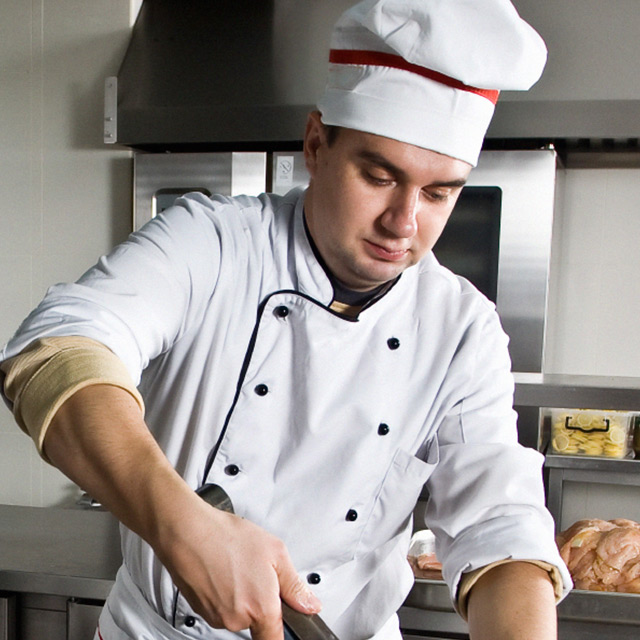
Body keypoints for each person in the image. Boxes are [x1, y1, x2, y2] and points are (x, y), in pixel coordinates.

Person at [0, 1, 572, 639]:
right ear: (316, 145)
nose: (405, 223)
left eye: (439, 193)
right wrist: (183, 526)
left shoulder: (463, 329)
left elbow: (501, 529)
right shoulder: (215, 244)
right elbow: (54, 352)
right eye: (379, 176)